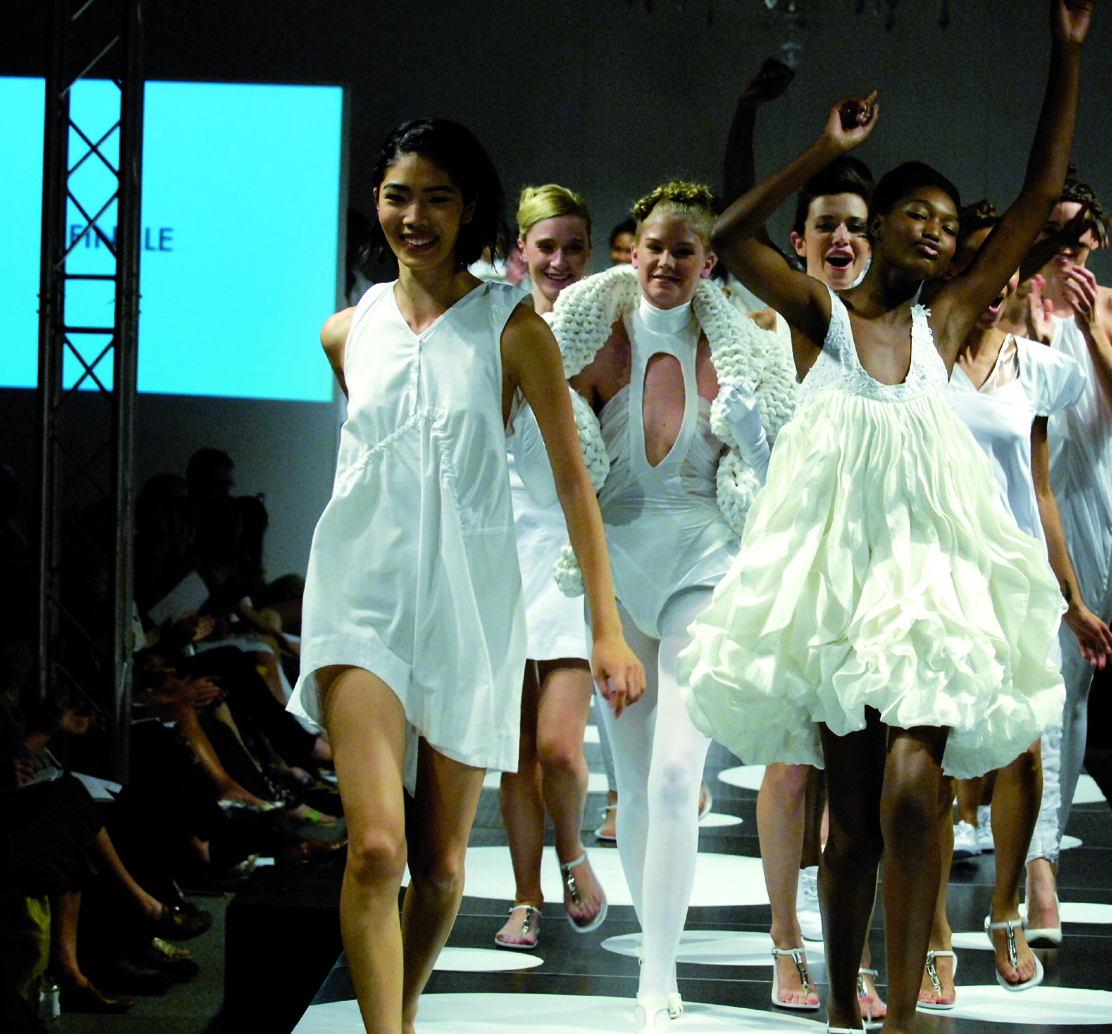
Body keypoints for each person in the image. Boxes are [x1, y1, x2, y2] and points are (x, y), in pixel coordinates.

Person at [679, 0, 1096, 1034]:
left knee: (916, 788)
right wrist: (809, 143)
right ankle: (836, 1009)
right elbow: (727, 235)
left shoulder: (947, 319)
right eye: (910, 210)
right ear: (875, 225)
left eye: (942, 221)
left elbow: (1042, 178)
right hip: (836, 588)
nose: (927, 227)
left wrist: (1068, 48)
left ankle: (904, 1009)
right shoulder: (818, 316)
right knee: (852, 821)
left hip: (927, 579)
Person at [287, 118, 642, 1034]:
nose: (415, 216)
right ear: (376, 203)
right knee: (374, 848)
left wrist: (603, 626)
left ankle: (398, 1010)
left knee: (442, 867)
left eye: (438, 197)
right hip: (358, 594)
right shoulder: (347, 330)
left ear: (472, 208)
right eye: (398, 195)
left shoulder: (513, 328)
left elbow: (574, 481)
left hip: (470, 605)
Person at [551, 180, 797, 1033]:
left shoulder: (749, 345)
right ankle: (651, 952)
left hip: (704, 557)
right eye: (654, 245)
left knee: (673, 774)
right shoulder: (586, 336)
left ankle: (658, 974)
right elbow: (548, 454)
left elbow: (781, 482)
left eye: (684, 250)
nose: (664, 262)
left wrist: (756, 433)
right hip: (615, 569)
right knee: (631, 784)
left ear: (709, 260)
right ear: (634, 247)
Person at [920, 201, 1112, 1006]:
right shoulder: (921, 351)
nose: (995, 288)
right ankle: (931, 930)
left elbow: (1040, 491)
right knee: (925, 757)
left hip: (1015, 582)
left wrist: (1071, 596)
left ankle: (1005, 907)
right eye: (981, 270)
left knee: (1024, 751)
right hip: (932, 576)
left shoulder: (1033, 366)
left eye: (1006, 274)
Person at [721, 55, 883, 1014]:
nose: (842, 237)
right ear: (800, 238)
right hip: (787, 564)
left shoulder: (890, 326)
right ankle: (786, 943)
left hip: (871, 572)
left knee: (859, 783)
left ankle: (855, 949)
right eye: (826, 223)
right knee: (791, 765)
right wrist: (761, 117)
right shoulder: (784, 312)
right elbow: (731, 220)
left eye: (857, 226)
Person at [1007, 165, 1112, 947]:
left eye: (1079, 233)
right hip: (1025, 497)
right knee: (1033, 675)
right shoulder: (1014, 303)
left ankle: (1043, 848)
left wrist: (1088, 328)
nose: (1069, 248)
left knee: (1071, 686)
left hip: (1097, 502)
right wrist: (1028, 325)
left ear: (1095, 237)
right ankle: (1034, 864)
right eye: (1053, 234)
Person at [492, 184, 617, 951]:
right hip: (501, 547)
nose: (561, 261)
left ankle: (571, 850)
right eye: (547, 246)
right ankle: (526, 894)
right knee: (512, 752)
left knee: (559, 746)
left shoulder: (609, 338)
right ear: (521, 251)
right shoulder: (496, 329)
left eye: (575, 246)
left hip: (573, 554)